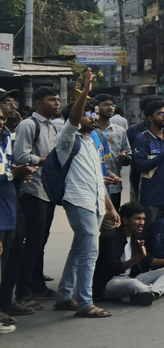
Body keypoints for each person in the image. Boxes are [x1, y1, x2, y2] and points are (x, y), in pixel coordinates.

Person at [53, 69, 122, 318]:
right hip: (78, 200)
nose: (93, 118)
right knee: (90, 252)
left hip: (95, 202)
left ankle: (64, 296)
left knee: (79, 249)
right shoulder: (66, 138)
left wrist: (111, 208)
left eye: (93, 114)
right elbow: (73, 118)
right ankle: (85, 303)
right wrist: (85, 92)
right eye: (87, 114)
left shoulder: (92, 141)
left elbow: (97, 178)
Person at [6, 86, 61, 315]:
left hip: (47, 190)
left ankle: (37, 286)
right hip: (32, 190)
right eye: (52, 100)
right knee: (31, 243)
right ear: (39, 103)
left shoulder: (52, 127)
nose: (57, 103)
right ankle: (24, 293)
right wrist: (44, 159)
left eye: (58, 100)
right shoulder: (30, 125)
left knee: (41, 241)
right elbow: (20, 156)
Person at [94, 202, 164, 306]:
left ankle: (152, 294)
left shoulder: (137, 236)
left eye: (143, 219)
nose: (142, 222)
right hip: (110, 282)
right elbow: (115, 269)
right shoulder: (109, 237)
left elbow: (146, 261)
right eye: (138, 218)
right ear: (125, 220)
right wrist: (138, 256)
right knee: (133, 284)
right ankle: (152, 290)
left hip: (132, 277)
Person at [0, 106, 36, 328]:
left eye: (2, 118)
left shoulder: (6, 138)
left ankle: (4, 305)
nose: (1, 122)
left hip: (9, 210)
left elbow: (6, 169)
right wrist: (14, 173)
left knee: (10, 262)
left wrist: (19, 173)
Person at [92, 94, 132, 210]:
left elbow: (128, 157)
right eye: (106, 105)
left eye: (112, 105)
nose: (110, 108)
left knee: (113, 221)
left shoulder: (120, 131)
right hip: (92, 185)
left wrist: (124, 157)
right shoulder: (90, 130)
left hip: (114, 185)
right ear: (96, 108)